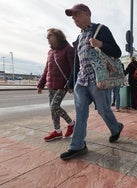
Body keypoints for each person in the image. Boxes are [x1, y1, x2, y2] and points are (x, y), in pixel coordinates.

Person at [60, 4, 123, 160]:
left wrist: (100, 44)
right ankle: (78, 146)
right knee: (80, 113)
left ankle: (116, 128)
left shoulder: (101, 29)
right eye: (72, 16)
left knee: (103, 110)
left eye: (77, 14)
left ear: (87, 14)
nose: (74, 18)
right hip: (81, 81)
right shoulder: (79, 38)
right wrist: (71, 82)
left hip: (98, 80)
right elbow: (77, 63)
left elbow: (117, 52)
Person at [37, 28, 75, 142]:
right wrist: (41, 84)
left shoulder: (68, 49)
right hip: (51, 84)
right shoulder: (50, 52)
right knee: (53, 109)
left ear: (57, 36)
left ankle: (71, 123)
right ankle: (57, 132)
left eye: (50, 36)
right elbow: (46, 69)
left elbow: (74, 68)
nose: (47, 38)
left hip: (62, 84)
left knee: (54, 106)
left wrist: (71, 83)